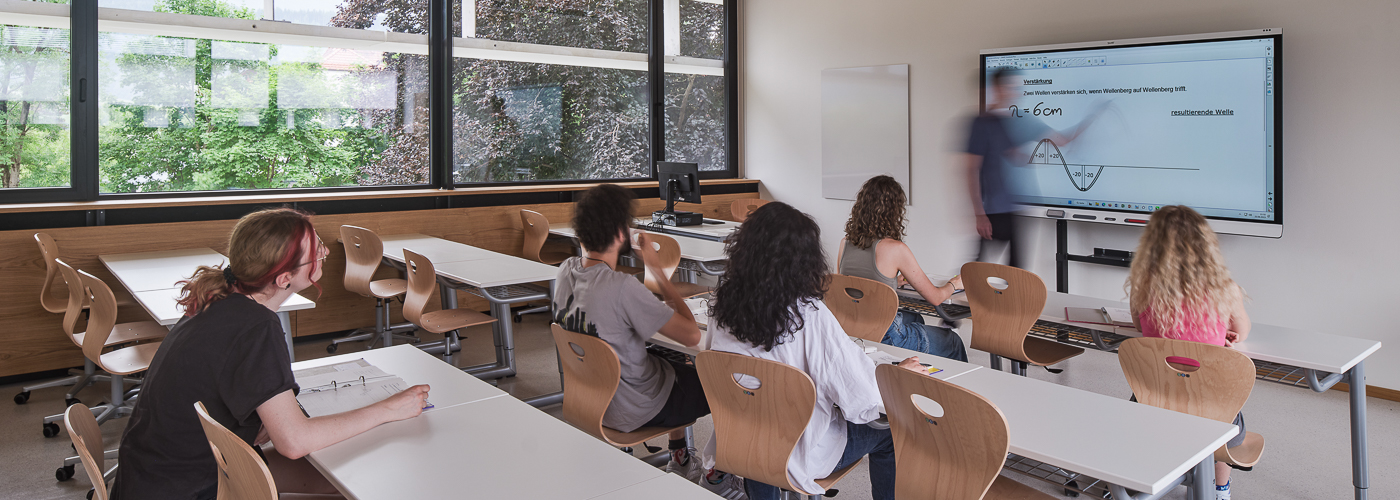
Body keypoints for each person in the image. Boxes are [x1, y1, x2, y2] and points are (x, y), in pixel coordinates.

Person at [112, 208, 431, 500]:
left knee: (343, 475)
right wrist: (390, 408)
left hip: (154, 476)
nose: (326, 252)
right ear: (283, 278)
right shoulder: (256, 327)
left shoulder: (215, 297)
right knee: (361, 475)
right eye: (316, 250)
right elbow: (293, 442)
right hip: (189, 486)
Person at [707, 202, 925, 500]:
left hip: (742, 442)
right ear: (804, 259)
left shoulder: (722, 306)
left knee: (763, 417)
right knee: (891, 432)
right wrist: (896, 376)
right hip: (802, 453)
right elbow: (858, 396)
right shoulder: (808, 314)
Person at [551, 184, 743, 499]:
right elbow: (692, 334)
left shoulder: (564, 272)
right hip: (635, 408)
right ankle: (719, 475)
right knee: (724, 382)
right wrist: (657, 271)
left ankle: (680, 457)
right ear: (618, 232)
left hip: (590, 399)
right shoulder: (622, 287)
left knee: (670, 356)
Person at [1126, 205, 1251, 500]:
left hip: (1152, 397)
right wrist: (1223, 335)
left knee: (1140, 411)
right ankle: (1220, 490)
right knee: (1226, 419)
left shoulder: (1143, 286)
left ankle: (1143, 480)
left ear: (1152, 244)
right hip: (1209, 400)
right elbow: (1242, 332)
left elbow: (1138, 326)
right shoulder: (1225, 289)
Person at [965, 67, 1103, 268]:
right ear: (997, 88)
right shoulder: (982, 123)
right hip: (994, 209)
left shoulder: (1022, 119)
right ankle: (952, 294)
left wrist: (1091, 119)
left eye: (1017, 87)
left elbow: (1062, 141)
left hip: (1019, 207)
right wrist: (979, 214)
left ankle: (1009, 299)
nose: (1014, 91)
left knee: (1017, 270)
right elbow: (971, 170)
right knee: (978, 267)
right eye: (1009, 86)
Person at [837, 175, 968, 361]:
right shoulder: (895, 249)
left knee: (914, 317)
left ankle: (914, 373)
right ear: (894, 211)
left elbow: (851, 287)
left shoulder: (845, 243)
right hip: (887, 336)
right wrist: (954, 284)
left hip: (852, 329)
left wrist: (888, 282)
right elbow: (935, 298)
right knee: (952, 341)